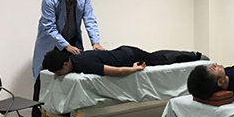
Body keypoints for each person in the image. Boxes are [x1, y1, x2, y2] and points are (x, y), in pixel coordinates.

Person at [31, 0, 104, 117]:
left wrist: (95, 42)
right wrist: (66, 45)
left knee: (69, 79)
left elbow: (90, 19)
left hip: (72, 40)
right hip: (51, 43)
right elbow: (49, 26)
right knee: (41, 80)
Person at [43, 46, 207, 77]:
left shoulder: (84, 64)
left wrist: (134, 69)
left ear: (66, 63)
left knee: (162, 60)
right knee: (155, 57)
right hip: (123, 51)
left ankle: (195, 56)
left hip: (129, 56)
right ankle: (193, 55)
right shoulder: (73, 58)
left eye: (58, 72)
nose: (58, 75)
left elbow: (118, 71)